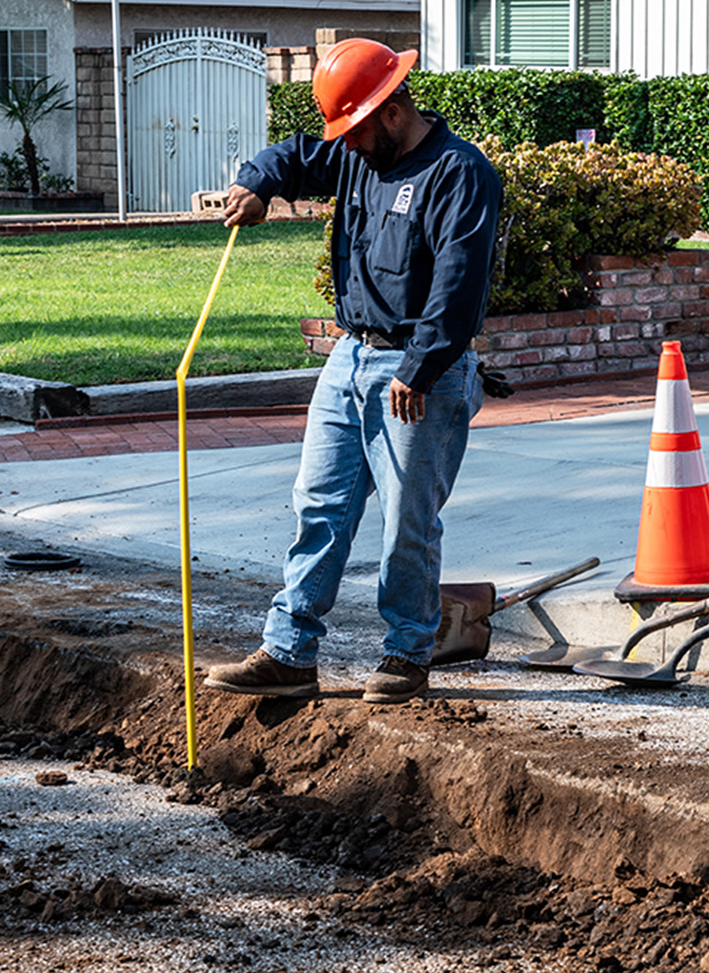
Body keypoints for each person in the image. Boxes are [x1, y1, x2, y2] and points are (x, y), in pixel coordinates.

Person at [201, 38, 503, 706]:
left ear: (392, 111)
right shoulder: (359, 155)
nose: (349, 144)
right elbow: (296, 155)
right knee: (320, 504)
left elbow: (459, 286)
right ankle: (289, 652)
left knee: (407, 522)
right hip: (351, 355)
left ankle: (407, 653)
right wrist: (257, 182)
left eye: (357, 129)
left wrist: (419, 369)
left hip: (420, 371)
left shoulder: (459, 174)